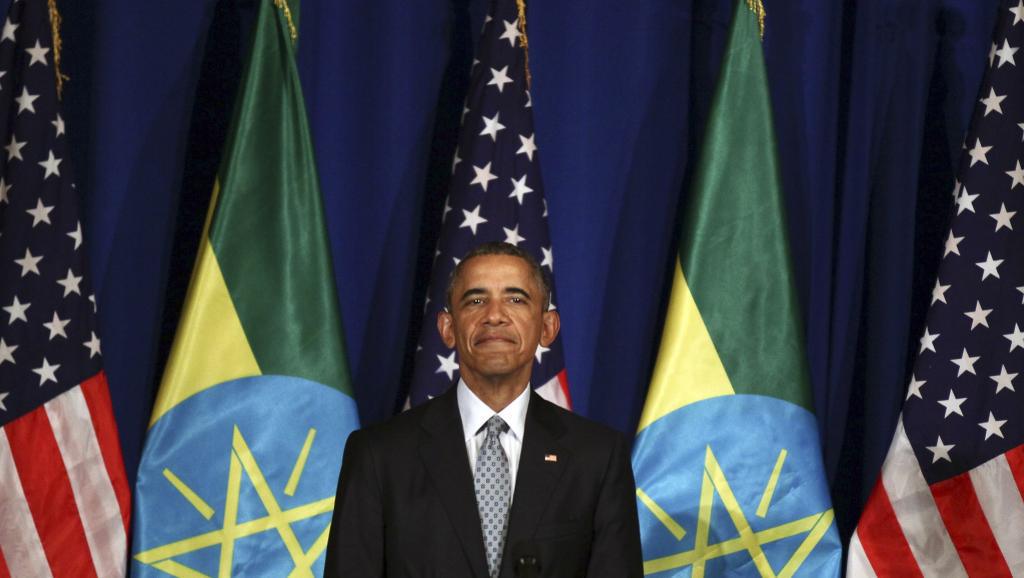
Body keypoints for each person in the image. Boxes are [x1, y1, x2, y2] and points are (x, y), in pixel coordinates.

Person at [324, 242, 643, 577]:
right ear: (447, 329)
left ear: (547, 327)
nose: (494, 315)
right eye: (476, 301)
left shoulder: (597, 457)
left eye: (516, 299)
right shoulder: (379, 456)